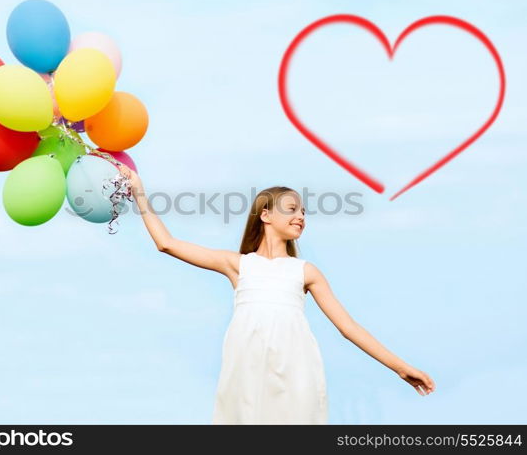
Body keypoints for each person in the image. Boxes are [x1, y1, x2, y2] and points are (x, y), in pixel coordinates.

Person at [117, 165, 435, 424]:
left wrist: (399, 366)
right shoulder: (238, 265)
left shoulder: (305, 272)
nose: (301, 217)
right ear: (266, 215)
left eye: (304, 212)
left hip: (296, 375)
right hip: (246, 375)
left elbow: (348, 328)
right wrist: (139, 191)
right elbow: (166, 243)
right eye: (292, 209)